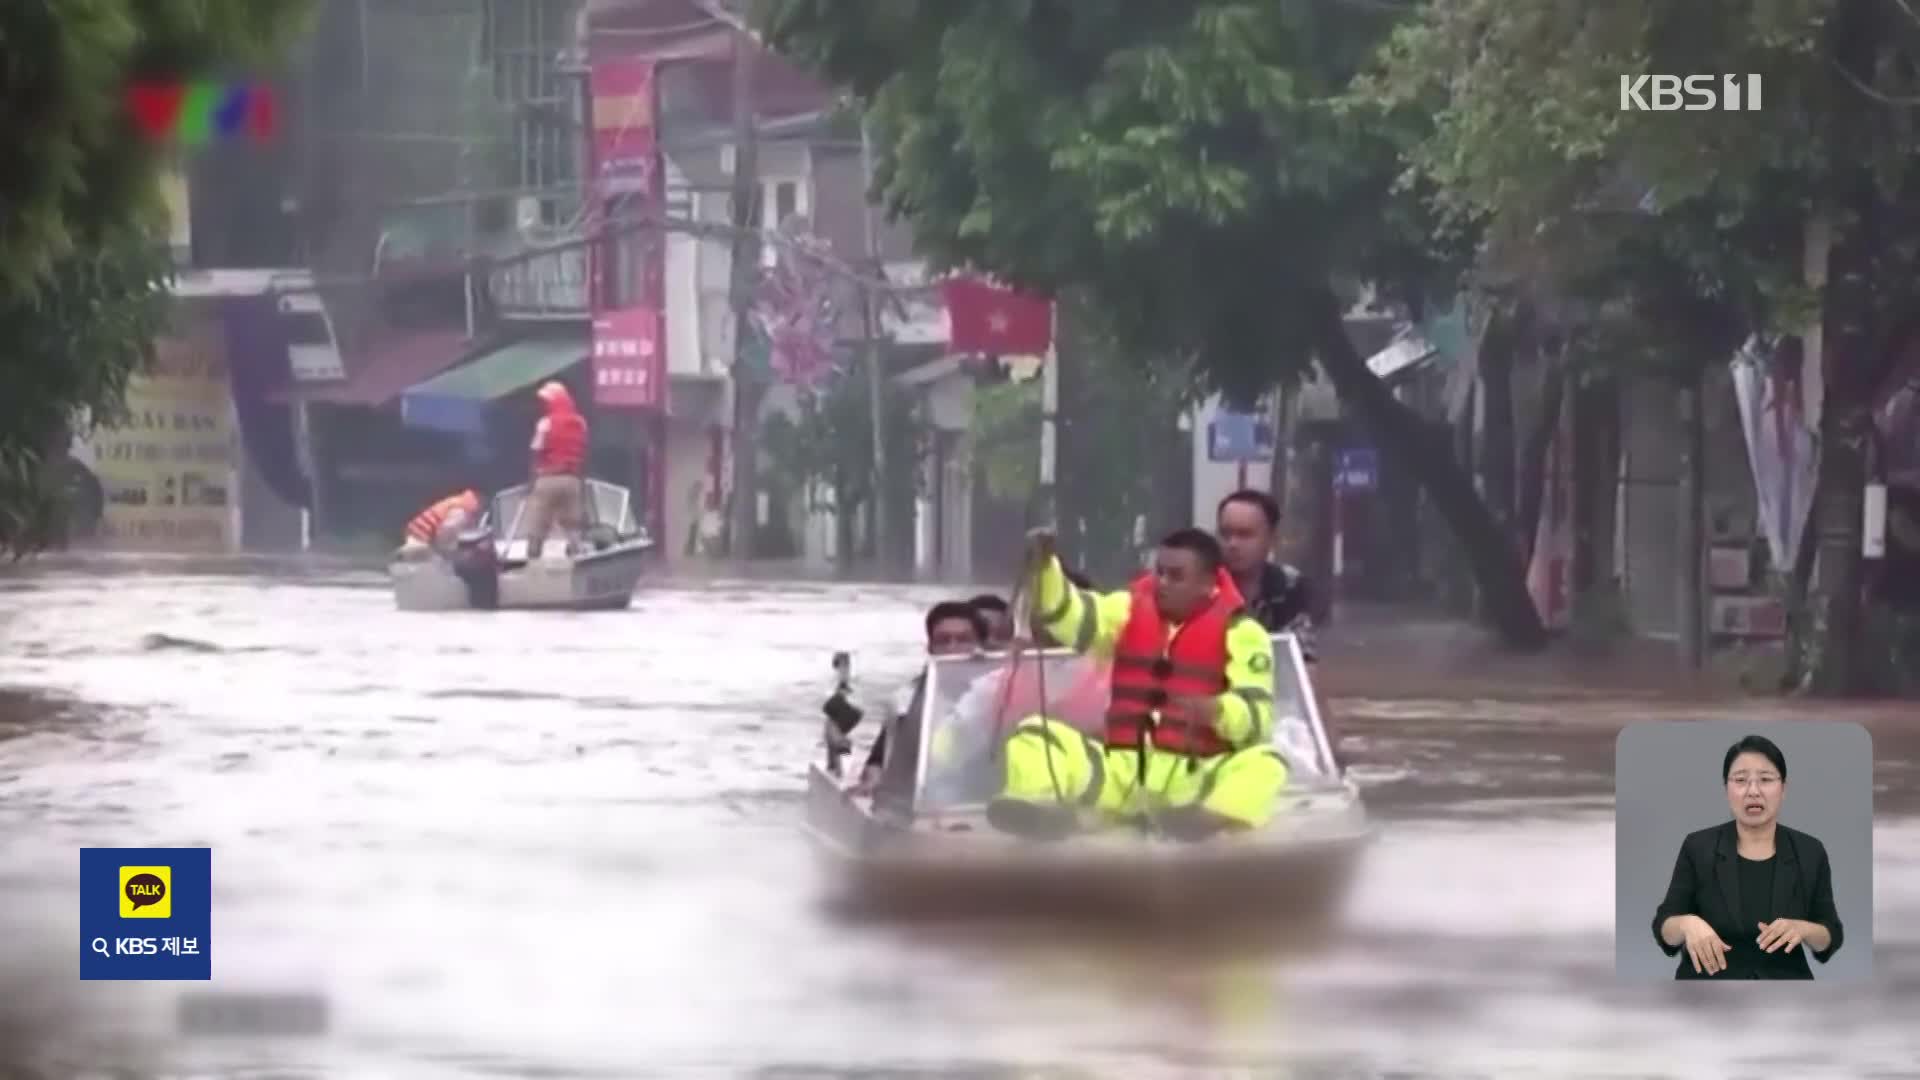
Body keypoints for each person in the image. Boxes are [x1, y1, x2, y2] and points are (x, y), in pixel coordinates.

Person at [988, 527, 1288, 841]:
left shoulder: (1244, 633)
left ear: (1207, 584)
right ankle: (1040, 811)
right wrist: (1045, 566)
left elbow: (1259, 721)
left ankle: (1208, 818)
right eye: (1159, 572)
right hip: (1122, 772)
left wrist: (1217, 710)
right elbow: (1071, 617)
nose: (1162, 583)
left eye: (1176, 576)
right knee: (1035, 734)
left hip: (1193, 777)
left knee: (1267, 762)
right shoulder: (1126, 609)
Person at [1652, 734, 1844, 979]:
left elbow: (1830, 936)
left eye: (1765, 779)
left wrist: (1803, 929)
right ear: (1726, 788)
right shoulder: (1698, 847)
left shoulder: (1809, 851)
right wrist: (1686, 924)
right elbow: (1664, 928)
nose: (1753, 791)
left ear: (1783, 788)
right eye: (1741, 780)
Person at [849, 601, 988, 801]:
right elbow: (880, 759)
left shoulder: (1000, 690)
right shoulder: (907, 700)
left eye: (963, 640)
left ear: (980, 646)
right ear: (930, 647)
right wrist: (872, 782)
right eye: (943, 640)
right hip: (925, 803)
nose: (953, 648)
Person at [1216, 489, 1317, 651]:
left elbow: (1302, 658)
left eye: (1245, 535)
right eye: (1225, 534)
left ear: (1271, 539)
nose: (1232, 544)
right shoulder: (1201, 583)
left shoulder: (1289, 584)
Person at [525, 381, 589, 560]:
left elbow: (536, 451)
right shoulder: (581, 422)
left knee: (538, 521)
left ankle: (532, 560)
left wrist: (532, 481)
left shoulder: (546, 422)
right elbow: (583, 451)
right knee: (573, 525)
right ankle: (579, 557)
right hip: (572, 479)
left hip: (548, 478)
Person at [399, 489, 482, 556]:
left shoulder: (458, 501)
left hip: (416, 531)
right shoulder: (461, 512)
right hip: (420, 537)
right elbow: (446, 531)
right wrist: (446, 552)